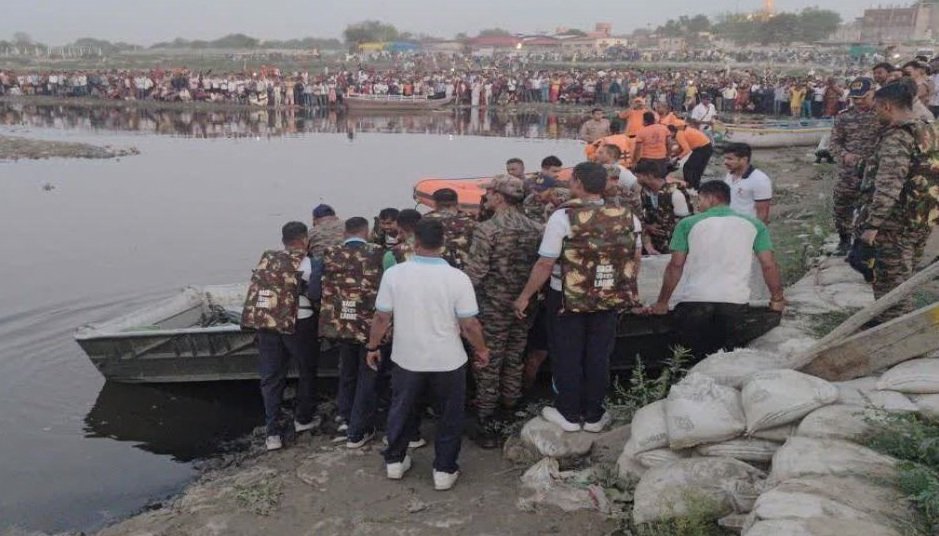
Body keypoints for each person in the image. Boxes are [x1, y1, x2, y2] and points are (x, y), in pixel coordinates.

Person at [513, 162, 643, 433]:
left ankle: (568, 414)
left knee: (567, 355)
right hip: (608, 296)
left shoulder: (564, 216)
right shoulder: (627, 216)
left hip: (567, 298)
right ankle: (594, 415)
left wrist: (525, 296)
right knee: (599, 355)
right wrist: (626, 289)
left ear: (578, 183)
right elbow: (635, 257)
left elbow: (545, 263)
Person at [365, 219, 490, 490]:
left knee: (402, 408)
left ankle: (395, 461)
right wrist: (481, 350)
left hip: (407, 358)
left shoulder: (395, 275)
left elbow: (381, 318)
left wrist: (373, 347)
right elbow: (469, 324)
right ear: (443, 244)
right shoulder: (458, 278)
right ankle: (444, 470)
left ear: (415, 242)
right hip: (448, 359)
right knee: (449, 415)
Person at [650, 181, 785, 361]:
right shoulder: (755, 225)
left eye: (700, 200)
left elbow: (675, 265)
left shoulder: (687, 224)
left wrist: (662, 302)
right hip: (735, 302)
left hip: (695, 301)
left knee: (690, 359)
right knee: (727, 359)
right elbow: (768, 265)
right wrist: (777, 299)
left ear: (711, 199)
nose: (698, 205)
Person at [464, 176, 543, 449]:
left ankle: (487, 420)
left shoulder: (487, 230)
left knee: (487, 360)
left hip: (492, 306)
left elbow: (476, 272)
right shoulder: (536, 228)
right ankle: (511, 410)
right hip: (524, 305)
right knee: (514, 357)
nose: (486, 197)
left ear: (499, 196)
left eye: (489, 192)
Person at [856, 81, 939, 323]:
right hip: (922, 217)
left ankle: (894, 331)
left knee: (891, 286)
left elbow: (888, 186)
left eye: (876, 108)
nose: (875, 113)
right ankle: (891, 323)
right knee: (904, 277)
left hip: (895, 224)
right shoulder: (928, 130)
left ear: (887, 107)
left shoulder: (898, 136)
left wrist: (872, 226)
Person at [241, 222, 320, 451]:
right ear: (305, 240)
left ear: (284, 241)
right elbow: (316, 294)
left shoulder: (268, 260)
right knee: (306, 370)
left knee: (271, 377)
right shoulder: (310, 263)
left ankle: (272, 433)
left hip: (267, 323)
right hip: (299, 324)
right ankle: (303, 419)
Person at [314, 217, 385, 448]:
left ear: (345, 233)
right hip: (368, 326)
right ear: (367, 232)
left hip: (340, 324)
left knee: (347, 371)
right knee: (368, 374)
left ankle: (344, 417)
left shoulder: (328, 254)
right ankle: (358, 430)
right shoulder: (379, 253)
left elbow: (315, 289)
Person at [829, 77, 881, 255]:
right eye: (855, 98)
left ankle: (866, 245)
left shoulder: (883, 114)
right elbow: (834, 143)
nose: (858, 102)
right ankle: (844, 241)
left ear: (873, 93)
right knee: (841, 205)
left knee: (871, 207)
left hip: (875, 172)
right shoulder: (844, 116)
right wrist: (844, 155)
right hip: (849, 172)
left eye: (863, 97)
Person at [635, 159, 692, 255]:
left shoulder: (675, 194)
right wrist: (648, 227)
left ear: (649, 176)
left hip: (673, 246)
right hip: (653, 245)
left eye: (639, 176)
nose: (637, 180)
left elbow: (685, 223)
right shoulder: (645, 192)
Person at [423, 188, 477, 270]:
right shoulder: (472, 221)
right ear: (457, 203)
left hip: (434, 268)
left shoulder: (426, 221)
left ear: (435, 204)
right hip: (464, 270)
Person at [723, 143, 773, 224]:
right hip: (730, 223)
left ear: (744, 160)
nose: (725, 162)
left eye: (730, 159)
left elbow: (763, 212)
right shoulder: (729, 175)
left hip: (748, 226)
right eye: (725, 158)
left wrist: (758, 229)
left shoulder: (760, 180)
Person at [670, 122, 713, 190]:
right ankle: (695, 187)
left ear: (672, 131)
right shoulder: (681, 132)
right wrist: (674, 155)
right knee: (697, 169)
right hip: (706, 146)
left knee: (688, 167)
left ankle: (689, 186)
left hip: (702, 148)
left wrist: (678, 158)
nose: (669, 136)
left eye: (669, 134)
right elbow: (682, 147)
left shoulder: (679, 134)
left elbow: (687, 150)